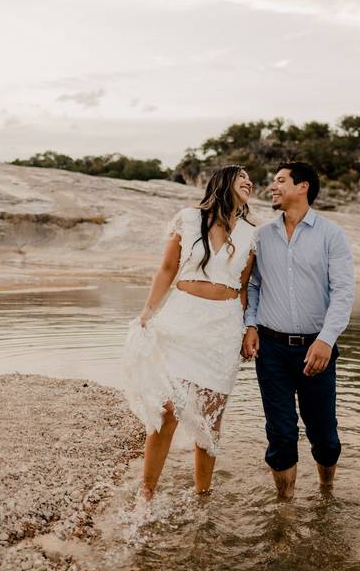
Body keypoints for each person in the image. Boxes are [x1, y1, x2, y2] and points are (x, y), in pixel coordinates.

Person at [119, 165, 257, 499]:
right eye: (242, 178)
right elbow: (167, 268)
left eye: (250, 179)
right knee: (169, 409)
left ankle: (202, 495)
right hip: (183, 319)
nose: (249, 182)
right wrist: (148, 311)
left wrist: (244, 330)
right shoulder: (189, 218)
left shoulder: (250, 233)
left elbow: (242, 286)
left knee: (211, 418)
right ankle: (147, 491)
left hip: (223, 326)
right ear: (224, 183)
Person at [242, 161, 355, 500]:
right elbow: (255, 286)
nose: (272, 187)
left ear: (303, 186)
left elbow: (344, 293)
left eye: (280, 181)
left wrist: (326, 340)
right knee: (280, 434)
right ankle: (285, 509)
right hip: (271, 349)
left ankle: (326, 492)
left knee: (324, 435)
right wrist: (250, 325)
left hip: (316, 348)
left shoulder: (331, 234)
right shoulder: (262, 236)